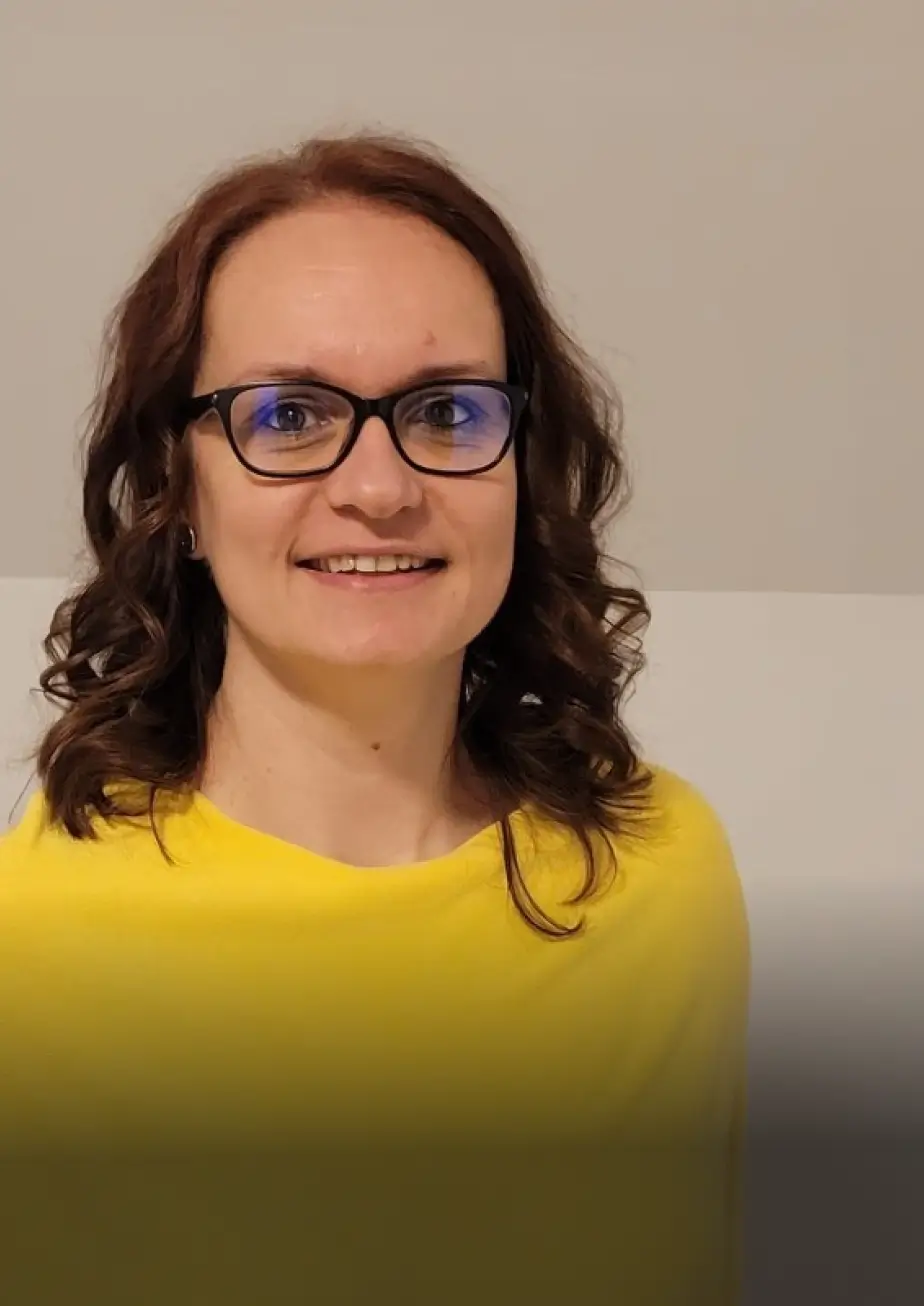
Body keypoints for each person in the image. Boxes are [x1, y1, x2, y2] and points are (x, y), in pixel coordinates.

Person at [0, 129, 749, 1303]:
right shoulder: (28, 936)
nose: (379, 488)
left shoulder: (666, 875)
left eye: (448, 412)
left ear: (522, 465)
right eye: (289, 414)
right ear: (179, 489)